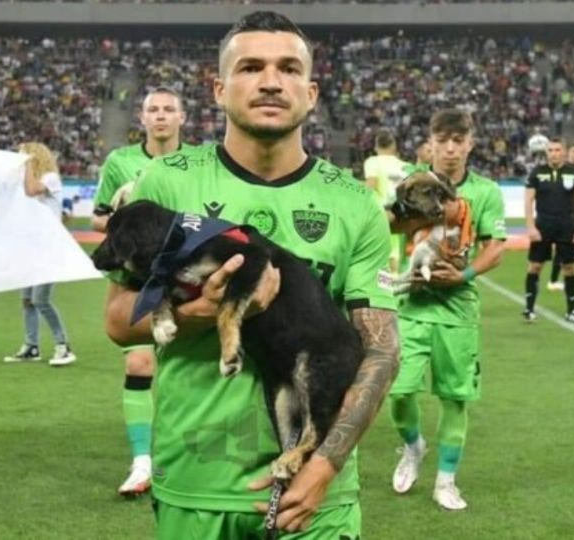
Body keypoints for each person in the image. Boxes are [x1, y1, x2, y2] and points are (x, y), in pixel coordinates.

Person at [104, 12, 400, 537]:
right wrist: (206, 310)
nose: (269, 81)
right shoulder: (167, 183)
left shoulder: (356, 203)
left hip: (316, 494)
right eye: (251, 67)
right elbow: (118, 322)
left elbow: (380, 349)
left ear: (310, 93)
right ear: (219, 89)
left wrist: (325, 465)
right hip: (196, 480)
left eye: (288, 68)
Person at [387, 109, 507, 511]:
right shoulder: (410, 180)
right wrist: (421, 209)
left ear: (470, 143)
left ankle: (446, 481)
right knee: (399, 392)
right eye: (444, 140)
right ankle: (413, 447)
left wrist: (464, 274)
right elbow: (386, 224)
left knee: (454, 398)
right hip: (412, 304)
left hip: (458, 310)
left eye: (459, 140)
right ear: (431, 142)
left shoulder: (486, 190)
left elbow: (496, 247)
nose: (451, 148)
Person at [92, 86, 192, 497]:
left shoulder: (197, 163)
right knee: (139, 365)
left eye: (170, 109)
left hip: (184, 272)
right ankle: (141, 463)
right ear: (143, 118)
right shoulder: (121, 162)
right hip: (135, 277)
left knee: (186, 368)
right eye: (154, 109)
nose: (162, 116)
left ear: (182, 118)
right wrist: (122, 215)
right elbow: (99, 221)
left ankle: (183, 455)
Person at [3, 142, 76, 366]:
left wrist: (25, 166)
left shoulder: (50, 177)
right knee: (27, 300)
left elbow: (31, 190)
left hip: (48, 247)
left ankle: (63, 346)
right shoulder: (31, 180)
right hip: (31, 247)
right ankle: (31, 346)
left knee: (40, 299)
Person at [522, 137, 574, 322]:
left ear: (563, 151)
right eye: (550, 150)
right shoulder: (537, 173)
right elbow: (528, 201)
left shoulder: (573, 172)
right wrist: (530, 226)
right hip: (543, 226)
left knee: (569, 268)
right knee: (535, 266)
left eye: (557, 149)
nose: (554, 153)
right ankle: (529, 309)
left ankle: (571, 311)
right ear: (546, 152)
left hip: (567, 227)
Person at [364, 129, 410, 272]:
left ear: (376, 147)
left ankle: (386, 288)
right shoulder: (405, 166)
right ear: (394, 146)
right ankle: (395, 287)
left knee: (381, 257)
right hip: (402, 214)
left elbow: (371, 188)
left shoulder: (372, 162)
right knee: (397, 255)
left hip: (381, 213)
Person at [549, 142, 574, 291]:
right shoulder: (565, 171)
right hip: (568, 218)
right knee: (562, 252)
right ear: (568, 153)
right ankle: (554, 280)